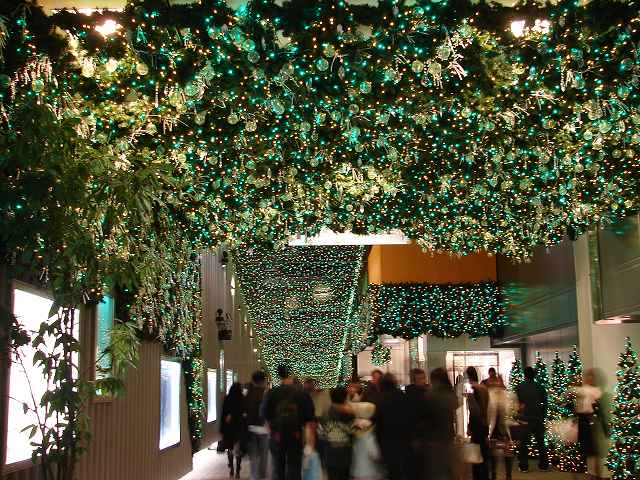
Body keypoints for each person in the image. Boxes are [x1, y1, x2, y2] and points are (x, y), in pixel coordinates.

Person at [263, 364, 317, 480]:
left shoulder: (271, 393)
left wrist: (271, 431)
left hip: (277, 435)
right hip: (296, 434)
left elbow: (264, 415)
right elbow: (310, 420)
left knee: (278, 467)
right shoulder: (302, 395)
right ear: (291, 375)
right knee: (294, 467)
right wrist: (310, 442)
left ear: (279, 375)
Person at [423, 367, 459, 480]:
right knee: (449, 469)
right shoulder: (450, 394)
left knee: (436, 470)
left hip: (434, 438)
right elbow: (456, 405)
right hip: (448, 435)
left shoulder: (430, 395)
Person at [374, 373, 411, 480]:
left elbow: (378, 422)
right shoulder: (403, 397)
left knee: (391, 471)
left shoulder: (380, 399)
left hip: (387, 441)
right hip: (403, 439)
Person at [574, 368, 607, 479]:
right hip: (582, 420)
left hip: (591, 420)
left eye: (591, 376)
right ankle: (591, 473)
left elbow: (597, 409)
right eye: (587, 376)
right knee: (587, 448)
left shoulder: (596, 391)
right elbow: (577, 403)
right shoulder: (582, 390)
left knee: (593, 448)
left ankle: (595, 473)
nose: (589, 379)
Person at [515, 366, 549, 473]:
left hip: (525, 419)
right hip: (538, 418)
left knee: (524, 443)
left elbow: (517, 403)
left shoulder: (520, 387)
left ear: (524, 375)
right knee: (541, 443)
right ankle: (544, 465)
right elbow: (545, 403)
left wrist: (518, 415)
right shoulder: (540, 387)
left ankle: (524, 466)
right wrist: (543, 416)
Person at [322, 387, 355, 480]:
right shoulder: (349, 415)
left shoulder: (326, 414)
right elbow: (353, 431)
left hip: (330, 453)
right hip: (345, 454)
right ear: (345, 398)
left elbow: (321, 433)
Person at [466, 366, 490, 480]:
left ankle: (477, 477)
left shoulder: (472, 389)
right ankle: (485, 476)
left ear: (468, 376)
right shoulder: (484, 388)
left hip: (477, 426)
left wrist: (469, 427)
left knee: (475, 455)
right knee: (484, 454)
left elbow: (474, 411)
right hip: (485, 424)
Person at [350, 401, 384, 480]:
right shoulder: (369, 436)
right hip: (370, 473)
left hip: (356, 471)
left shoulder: (355, 432)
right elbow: (375, 454)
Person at [405, 368, 429, 480]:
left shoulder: (407, 394)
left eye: (424, 378)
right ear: (414, 380)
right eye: (421, 378)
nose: (423, 381)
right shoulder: (423, 394)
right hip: (420, 433)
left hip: (414, 434)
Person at [221, 382, 248, 479]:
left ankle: (231, 468)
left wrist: (222, 429)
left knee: (230, 448)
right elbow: (245, 414)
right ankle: (238, 470)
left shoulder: (227, 398)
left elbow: (223, 414)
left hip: (229, 428)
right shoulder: (243, 399)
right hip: (239, 428)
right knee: (238, 449)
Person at [246, 371, 269, 480]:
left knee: (253, 454)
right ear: (263, 381)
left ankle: (254, 476)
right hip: (262, 428)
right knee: (263, 454)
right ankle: (262, 476)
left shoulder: (248, 393)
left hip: (250, 427)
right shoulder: (265, 393)